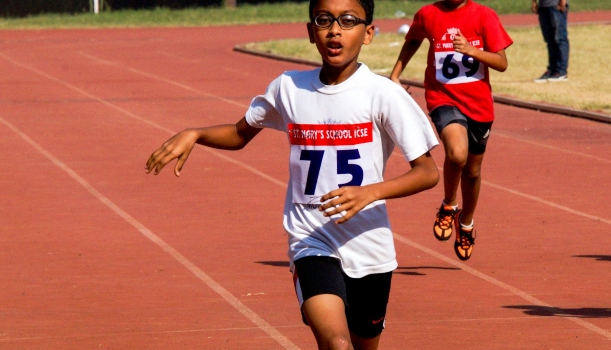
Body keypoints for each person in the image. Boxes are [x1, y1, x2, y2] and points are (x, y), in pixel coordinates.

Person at [145, 0, 440, 348]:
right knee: (337, 344)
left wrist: (369, 192)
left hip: (370, 246)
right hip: (311, 238)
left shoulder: (383, 94)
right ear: (310, 31)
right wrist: (196, 133)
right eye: (324, 20)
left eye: (347, 21)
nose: (334, 30)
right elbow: (241, 133)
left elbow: (427, 172)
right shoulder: (288, 88)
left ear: (369, 33)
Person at [389, 0, 512, 260]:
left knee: (473, 171)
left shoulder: (484, 16)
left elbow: (501, 63)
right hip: (443, 97)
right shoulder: (428, 15)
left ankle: (465, 222)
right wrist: (395, 75)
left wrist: (471, 50)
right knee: (457, 154)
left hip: (479, 105)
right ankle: (449, 203)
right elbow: (413, 40)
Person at [532, 0, 569, 83]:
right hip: (543, 5)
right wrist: (534, 2)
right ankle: (551, 70)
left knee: (560, 38)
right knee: (549, 40)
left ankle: (561, 71)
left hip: (556, 4)